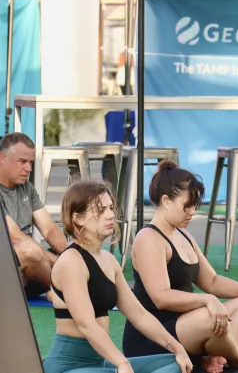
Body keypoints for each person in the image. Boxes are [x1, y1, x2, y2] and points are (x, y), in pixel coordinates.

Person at [122, 161, 238, 373]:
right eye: (187, 205)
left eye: (195, 205)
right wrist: (207, 300)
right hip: (154, 337)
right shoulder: (148, 238)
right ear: (166, 201)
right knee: (208, 316)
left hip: (188, 326)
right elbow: (161, 297)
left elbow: (211, 281)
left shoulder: (183, 234)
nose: (192, 212)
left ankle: (214, 357)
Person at [43, 180, 194, 373]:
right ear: (78, 218)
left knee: (174, 363)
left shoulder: (108, 260)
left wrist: (177, 347)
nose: (110, 215)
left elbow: (138, 314)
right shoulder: (71, 262)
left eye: (111, 208)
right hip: (69, 367)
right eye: (100, 210)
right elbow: (87, 324)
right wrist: (122, 363)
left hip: (99, 364)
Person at [0, 132, 69, 299]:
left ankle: (68, 284)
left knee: (75, 247)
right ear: (2, 158)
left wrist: (72, 255)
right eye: (23, 162)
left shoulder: (26, 186)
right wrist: (59, 263)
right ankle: (66, 290)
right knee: (30, 250)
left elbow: (49, 228)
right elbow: (15, 238)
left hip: (31, 268)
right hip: (8, 266)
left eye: (31, 162)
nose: (29, 169)